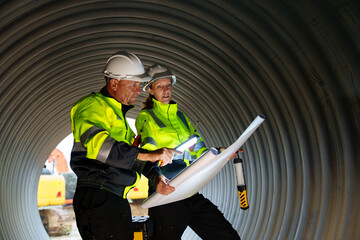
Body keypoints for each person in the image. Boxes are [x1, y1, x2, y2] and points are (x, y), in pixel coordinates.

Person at [70, 52, 178, 240]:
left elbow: (130, 159)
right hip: (97, 195)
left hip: (114, 197)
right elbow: (102, 147)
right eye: (134, 85)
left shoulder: (119, 118)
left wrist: (156, 177)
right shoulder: (91, 106)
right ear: (114, 84)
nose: (139, 90)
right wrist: (149, 155)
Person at [135, 64, 241, 240]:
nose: (166, 90)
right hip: (166, 193)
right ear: (151, 90)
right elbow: (147, 154)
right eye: (160, 86)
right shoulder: (147, 117)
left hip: (189, 189)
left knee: (226, 236)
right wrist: (156, 178)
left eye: (169, 85)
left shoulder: (182, 117)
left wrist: (223, 154)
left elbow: (200, 149)